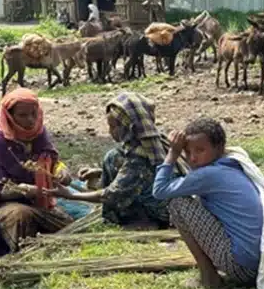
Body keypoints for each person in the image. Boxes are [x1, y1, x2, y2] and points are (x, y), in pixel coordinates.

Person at [153, 118, 264, 289]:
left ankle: (209, 276)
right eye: (187, 152)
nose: (193, 158)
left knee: (178, 203)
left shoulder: (209, 174)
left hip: (243, 269)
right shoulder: (230, 164)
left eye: (200, 150)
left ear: (219, 148)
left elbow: (159, 190)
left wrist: (172, 154)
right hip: (263, 265)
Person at [0, 89, 78, 256]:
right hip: (1, 206)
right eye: (22, 115)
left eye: (33, 114)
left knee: (71, 226)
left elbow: (51, 161)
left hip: (39, 202)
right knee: (20, 216)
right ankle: (23, 251)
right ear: (9, 116)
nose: (30, 120)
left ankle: (40, 241)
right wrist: (22, 190)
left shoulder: (39, 134)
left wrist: (61, 171)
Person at [54, 92, 175, 229]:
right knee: (112, 157)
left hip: (159, 212)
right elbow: (135, 177)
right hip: (143, 189)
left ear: (128, 126)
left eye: (113, 126)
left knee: (74, 199)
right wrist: (99, 173)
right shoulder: (151, 143)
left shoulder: (140, 158)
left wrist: (72, 196)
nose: (110, 131)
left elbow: (111, 194)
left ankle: (143, 221)